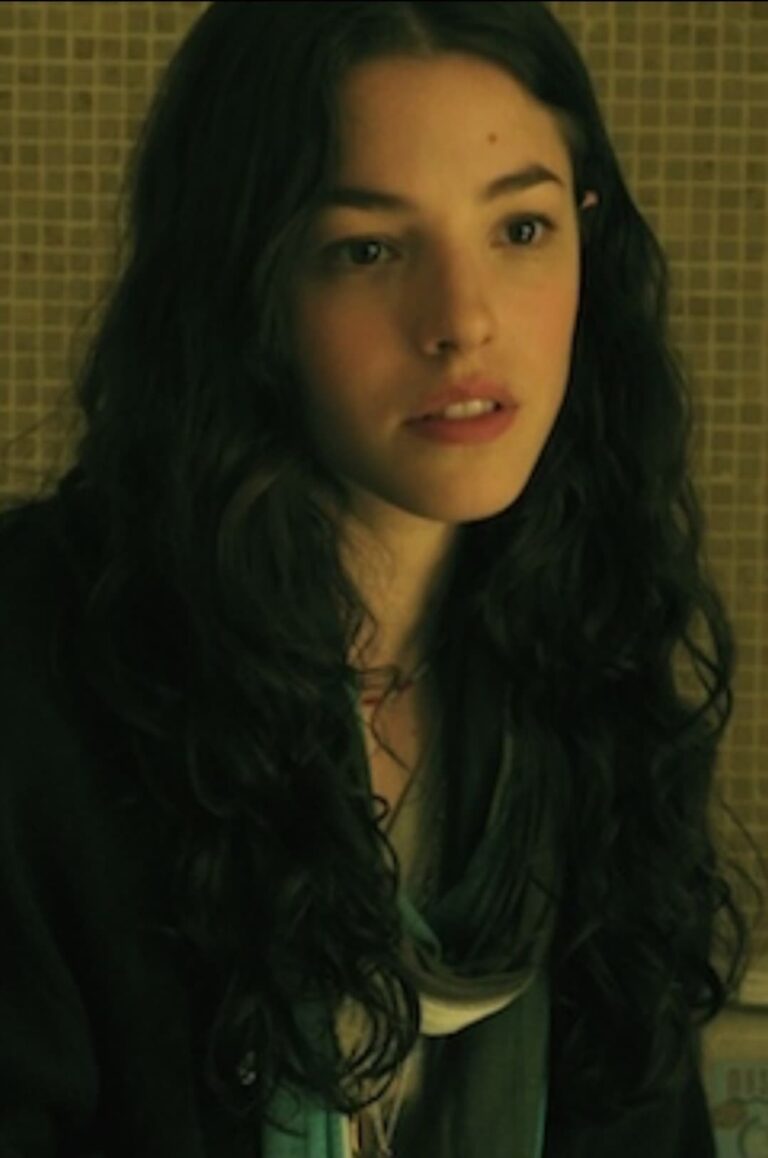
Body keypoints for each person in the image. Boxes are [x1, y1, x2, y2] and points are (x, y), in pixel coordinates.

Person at [0, 2, 762, 1156]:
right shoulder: (38, 675)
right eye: (368, 250)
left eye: (520, 231)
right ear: (246, 283)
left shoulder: (587, 657)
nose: (463, 323)